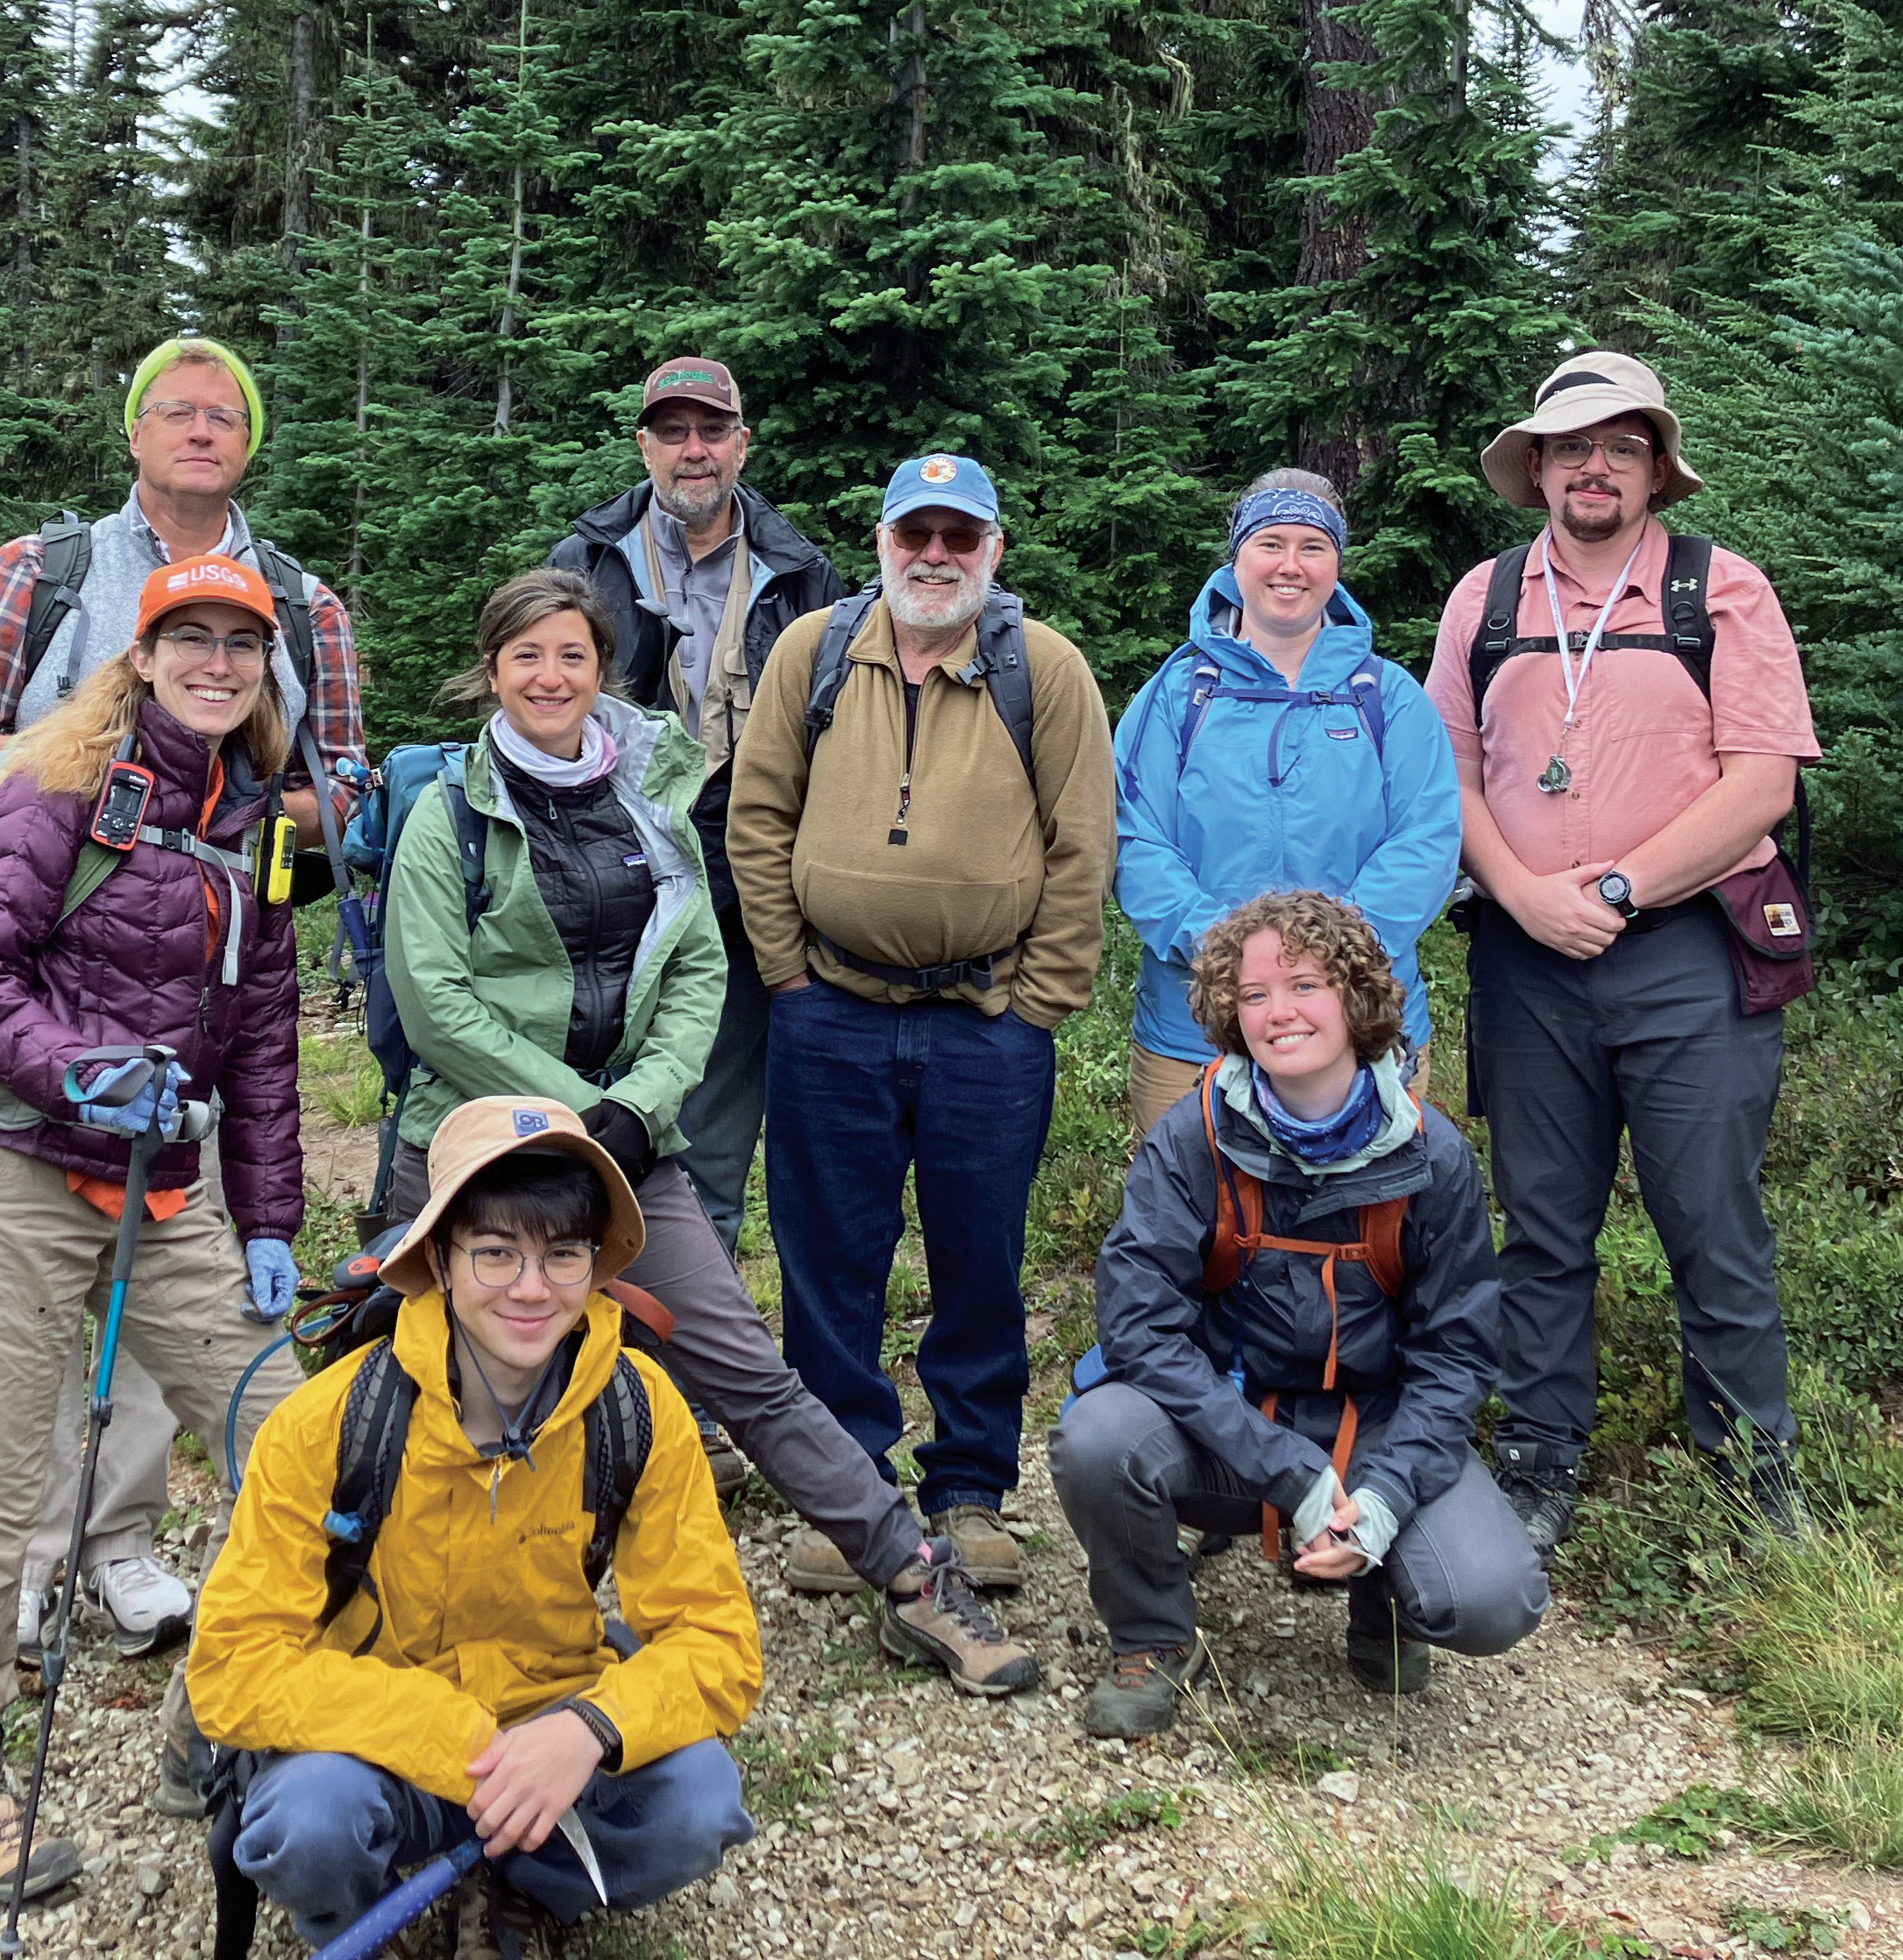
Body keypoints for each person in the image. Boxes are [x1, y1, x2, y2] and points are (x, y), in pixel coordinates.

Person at [380, 570, 1035, 1697]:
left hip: (631, 1139)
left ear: (604, 672)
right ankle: (388, 1616)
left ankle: (914, 1573)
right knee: (428, 1390)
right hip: (475, 1139)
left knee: (749, 1373)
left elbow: (694, 963)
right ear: (491, 671)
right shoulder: (447, 812)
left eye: (572, 656)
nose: (550, 677)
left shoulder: (653, 795)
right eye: (526, 657)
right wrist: (576, 1115)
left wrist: (643, 1104)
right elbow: (436, 998)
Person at [0, 335, 366, 1669]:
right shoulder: (39, 580)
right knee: (16, 1345)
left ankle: (122, 1547)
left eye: (229, 413)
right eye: (179, 410)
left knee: (182, 1316)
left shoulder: (303, 607)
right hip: (35, 1067)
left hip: (188, 1043)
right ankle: (19, 1589)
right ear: (136, 432)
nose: (204, 429)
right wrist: (92, 779)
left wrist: (276, 1214)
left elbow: (338, 808)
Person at [0, 554, 305, 1899]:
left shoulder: (264, 827)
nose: (215, 663)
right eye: (187, 638)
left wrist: (271, 1217)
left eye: (239, 645)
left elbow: (260, 1040)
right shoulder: (51, 779)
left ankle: (225, 1702)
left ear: (264, 670)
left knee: (293, 1442)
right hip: (15, 1167)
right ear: (140, 655)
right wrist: (78, 1070)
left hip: (167, 1186)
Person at [188, 1098, 761, 1947]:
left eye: (563, 1254)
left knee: (698, 1804)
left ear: (597, 1264)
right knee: (311, 1823)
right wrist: (452, 1737)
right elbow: (233, 1667)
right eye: (495, 1253)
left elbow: (716, 1642)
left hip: (555, 1724)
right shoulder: (327, 1421)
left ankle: (529, 1882)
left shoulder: (638, 1407)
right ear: (438, 1260)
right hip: (373, 1738)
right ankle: (359, 1910)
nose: (531, 1289)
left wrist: (589, 1729)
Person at [1424, 352, 1822, 1554]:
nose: (1592, 468)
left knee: (1712, 1217)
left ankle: (1753, 1473)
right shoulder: (1483, 600)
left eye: (1620, 445)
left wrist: (1613, 886)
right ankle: (1538, 1461)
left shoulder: (1723, 591)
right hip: (1524, 957)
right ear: (1536, 467)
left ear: (1655, 469)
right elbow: (1446, 778)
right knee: (1540, 1224)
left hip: (1688, 953)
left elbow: (1759, 786)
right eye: (1568, 446)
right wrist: (1522, 896)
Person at [728, 454, 1118, 1593]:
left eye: (960, 537)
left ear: (994, 552)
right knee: (826, 1260)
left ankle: (971, 1488)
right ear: (884, 541)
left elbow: (1081, 844)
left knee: (980, 1257)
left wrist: (1040, 999)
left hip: (986, 1022)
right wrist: (787, 972)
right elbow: (757, 819)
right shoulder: (813, 655)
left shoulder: (1040, 669)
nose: (935, 557)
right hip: (827, 1014)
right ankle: (847, 1489)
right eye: (916, 536)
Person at [1049, 891, 1547, 1736]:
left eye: (1305, 985)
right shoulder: (1191, 1136)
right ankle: (1153, 1638)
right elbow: (1137, 1327)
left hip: (1380, 1431)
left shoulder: (1433, 1155)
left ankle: (1383, 1593)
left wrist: (1385, 1494)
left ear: (1356, 1000)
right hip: (1227, 1427)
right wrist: (1289, 1470)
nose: (1278, 1012)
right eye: (1252, 995)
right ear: (1225, 1012)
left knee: (1491, 1600)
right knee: (1097, 1439)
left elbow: (1456, 1356)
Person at [545, 357, 846, 1262]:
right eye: (671, 432)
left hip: (746, 873)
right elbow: (540, 705)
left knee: (715, 1126)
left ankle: (686, 1359)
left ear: (741, 444)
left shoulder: (801, 574)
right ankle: (579, 1336)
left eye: (711, 431)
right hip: (606, 870)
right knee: (587, 1113)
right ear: (643, 444)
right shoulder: (584, 561)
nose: (693, 450)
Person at [1112, 468, 1459, 1144]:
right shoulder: (1175, 695)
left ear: (1337, 562)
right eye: (1270, 543)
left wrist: (1329, 965)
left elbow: (1426, 836)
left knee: (1364, 1232)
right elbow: (1133, 839)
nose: (1289, 566)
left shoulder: (1384, 697)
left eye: (1313, 546)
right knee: (1196, 1228)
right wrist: (1228, 954)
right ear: (1236, 557)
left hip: (1362, 1023)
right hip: (1193, 1028)